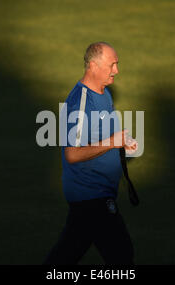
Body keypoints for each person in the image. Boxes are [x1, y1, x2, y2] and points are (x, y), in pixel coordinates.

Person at [43, 42, 138, 265]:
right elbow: (72, 154)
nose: (117, 70)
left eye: (117, 64)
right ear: (93, 66)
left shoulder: (104, 94)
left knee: (65, 256)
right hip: (91, 195)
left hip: (95, 195)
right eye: (112, 65)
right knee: (122, 257)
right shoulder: (80, 104)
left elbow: (101, 136)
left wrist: (122, 143)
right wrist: (113, 142)